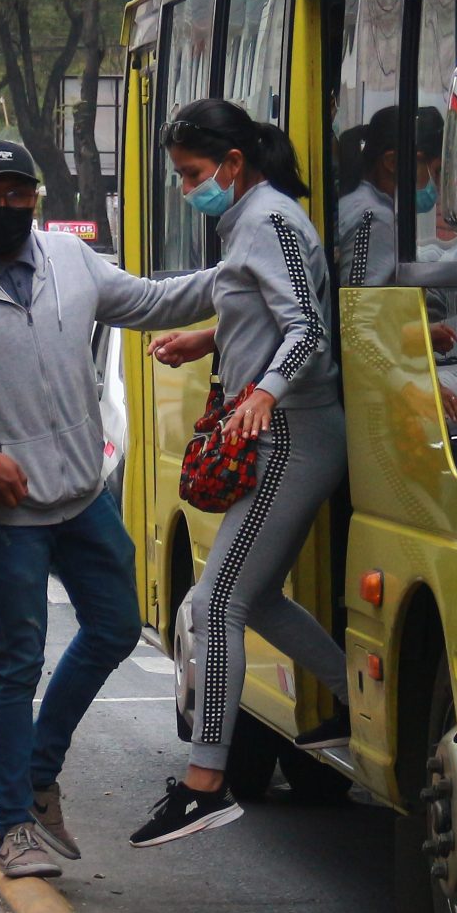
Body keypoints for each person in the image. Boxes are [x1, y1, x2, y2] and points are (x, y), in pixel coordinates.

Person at [0, 139, 219, 880]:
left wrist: (245, 269)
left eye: (19, 193)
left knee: (115, 626)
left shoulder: (69, 259)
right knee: (17, 663)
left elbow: (153, 302)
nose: (6, 205)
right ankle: (14, 825)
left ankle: (38, 772)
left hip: (83, 496)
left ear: (35, 199)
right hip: (6, 512)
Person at [138, 99, 350, 848]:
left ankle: (205, 784)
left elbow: (308, 327)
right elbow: (257, 304)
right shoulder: (249, 221)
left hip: (292, 434)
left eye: (192, 173)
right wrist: (208, 339)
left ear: (233, 163)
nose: (186, 187)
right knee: (251, 598)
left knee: (215, 600)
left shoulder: (270, 219)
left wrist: (262, 392)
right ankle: (362, 702)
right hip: (283, 432)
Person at [333, 106, 445, 289]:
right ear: (392, 162)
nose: (438, 184)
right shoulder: (375, 218)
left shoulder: (357, 201)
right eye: (436, 171)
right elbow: (360, 300)